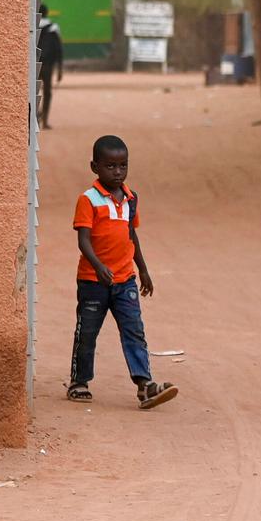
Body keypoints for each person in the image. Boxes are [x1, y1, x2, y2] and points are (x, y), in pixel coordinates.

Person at [66, 135, 177, 409]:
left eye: (123, 166)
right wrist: (98, 266)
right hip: (94, 281)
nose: (117, 172)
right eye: (110, 166)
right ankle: (79, 381)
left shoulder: (130, 199)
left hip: (125, 279)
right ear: (95, 167)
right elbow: (83, 240)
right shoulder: (88, 199)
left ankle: (145, 385)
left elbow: (131, 236)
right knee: (88, 332)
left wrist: (144, 270)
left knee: (134, 330)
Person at [38, 0, 65, 130]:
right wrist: (60, 69)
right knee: (47, 92)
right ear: (47, 13)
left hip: (34, 65)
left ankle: (33, 117)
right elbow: (59, 49)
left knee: (32, 92)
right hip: (48, 65)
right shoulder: (54, 27)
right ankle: (45, 121)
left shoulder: (31, 26)